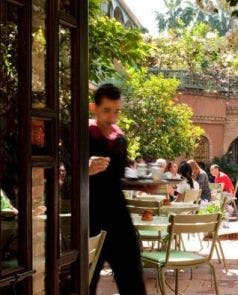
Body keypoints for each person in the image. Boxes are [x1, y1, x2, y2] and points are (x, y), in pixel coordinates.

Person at [88, 83, 146, 294]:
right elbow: (63, 173)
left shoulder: (120, 139)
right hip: (89, 216)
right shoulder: (81, 134)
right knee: (85, 281)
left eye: (117, 111)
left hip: (118, 216)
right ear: (93, 108)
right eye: (106, 110)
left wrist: (145, 185)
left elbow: (119, 178)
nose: (112, 117)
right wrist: (84, 169)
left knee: (132, 278)